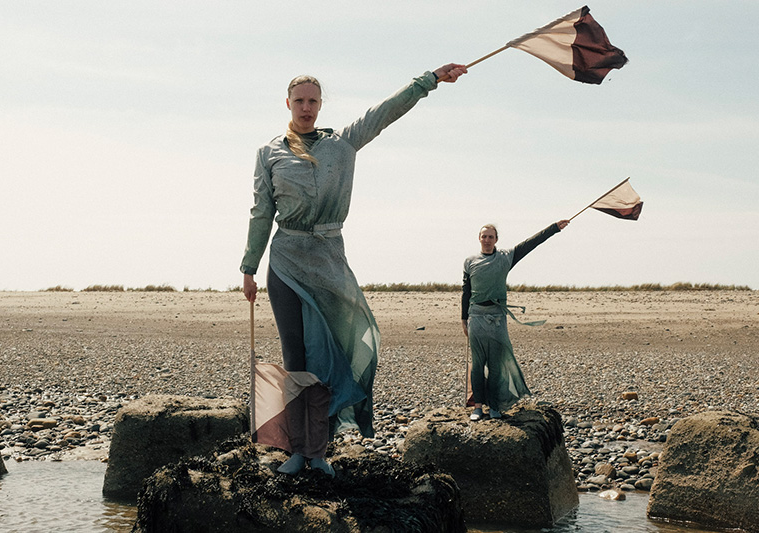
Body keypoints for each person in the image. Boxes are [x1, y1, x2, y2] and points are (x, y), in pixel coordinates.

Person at [242, 63, 468, 475]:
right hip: (286, 262)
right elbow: (261, 213)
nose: (306, 107)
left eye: (313, 100)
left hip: (329, 262)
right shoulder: (269, 152)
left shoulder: (342, 143)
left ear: (321, 104)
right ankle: (297, 451)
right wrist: (249, 267)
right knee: (296, 359)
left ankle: (319, 451)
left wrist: (430, 80)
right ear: (288, 104)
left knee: (331, 357)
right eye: (299, 101)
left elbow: (385, 112)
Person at [461, 219, 570, 421]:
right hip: (476, 315)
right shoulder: (470, 262)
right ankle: (477, 407)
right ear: (479, 238)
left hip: (498, 317)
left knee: (495, 365)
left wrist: (554, 228)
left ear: (496, 240)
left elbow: (530, 243)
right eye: (484, 236)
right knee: (477, 364)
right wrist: (463, 319)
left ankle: (494, 406)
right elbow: (465, 292)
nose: (487, 240)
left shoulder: (505, 257)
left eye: (490, 237)